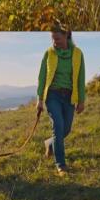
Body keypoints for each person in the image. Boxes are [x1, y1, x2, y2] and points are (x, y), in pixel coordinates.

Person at [36, 26, 86, 176]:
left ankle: (50, 143)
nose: (54, 42)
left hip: (69, 96)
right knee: (58, 126)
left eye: (57, 38)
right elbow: (42, 77)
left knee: (66, 129)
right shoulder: (49, 53)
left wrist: (81, 100)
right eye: (52, 38)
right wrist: (39, 99)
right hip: (52, 96)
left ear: (67, 36)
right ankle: (61, 165)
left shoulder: (77, 54)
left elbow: (81, 78)